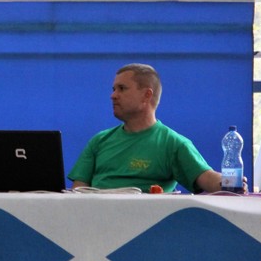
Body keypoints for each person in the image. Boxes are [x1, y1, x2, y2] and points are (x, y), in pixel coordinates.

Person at [68, 63, 225, 193]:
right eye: (113, 89)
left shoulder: (173, 144)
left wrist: (231, 181)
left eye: (122, 88)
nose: (113, 95)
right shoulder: (99, 141)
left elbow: (208, 179)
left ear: (147, 95)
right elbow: (78, 191)